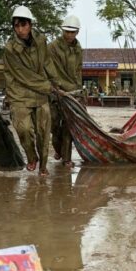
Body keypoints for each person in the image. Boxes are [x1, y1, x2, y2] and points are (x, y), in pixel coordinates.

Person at [3, 6, 55, 176]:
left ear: (30, 24)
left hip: (40, 94)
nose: (20, 29)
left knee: (43, 131)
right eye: (16, 26)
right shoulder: (10, 49)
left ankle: (43, 166)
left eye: (23, 25)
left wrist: (57, 83)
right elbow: (23, 76)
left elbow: (47, 63)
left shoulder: (41, 41)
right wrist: (48, 86)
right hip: (19, 92)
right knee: (23, 129)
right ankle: (32, 157)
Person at [48, 15, 83, 167]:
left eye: (73, 32)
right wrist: (56, 88)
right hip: (56, 92)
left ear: (77, 32)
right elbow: (49, 70)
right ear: (62, 30)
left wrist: (79, 91)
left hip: (73, 93)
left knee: (69, 126)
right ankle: (58, 149)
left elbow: (78, 71)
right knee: (54, 126)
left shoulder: (78, 49)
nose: (69, 35)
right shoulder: (52, 47)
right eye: (67, 31)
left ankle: (67, 158)